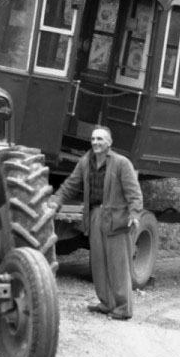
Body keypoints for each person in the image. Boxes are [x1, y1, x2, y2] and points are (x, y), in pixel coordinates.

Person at [49, 126, 143, 320]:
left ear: (109, 142)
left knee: (118, 264)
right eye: (93, 139)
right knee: (99, 263)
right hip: (94, 215)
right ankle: (106, 303)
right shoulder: (86, 162)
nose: (96, 142)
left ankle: (123, 308)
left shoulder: (121, 163)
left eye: (100, 139)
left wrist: (134, 214)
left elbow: (134, 192)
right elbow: (70, 185)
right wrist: (55, 201)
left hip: (117, 218)